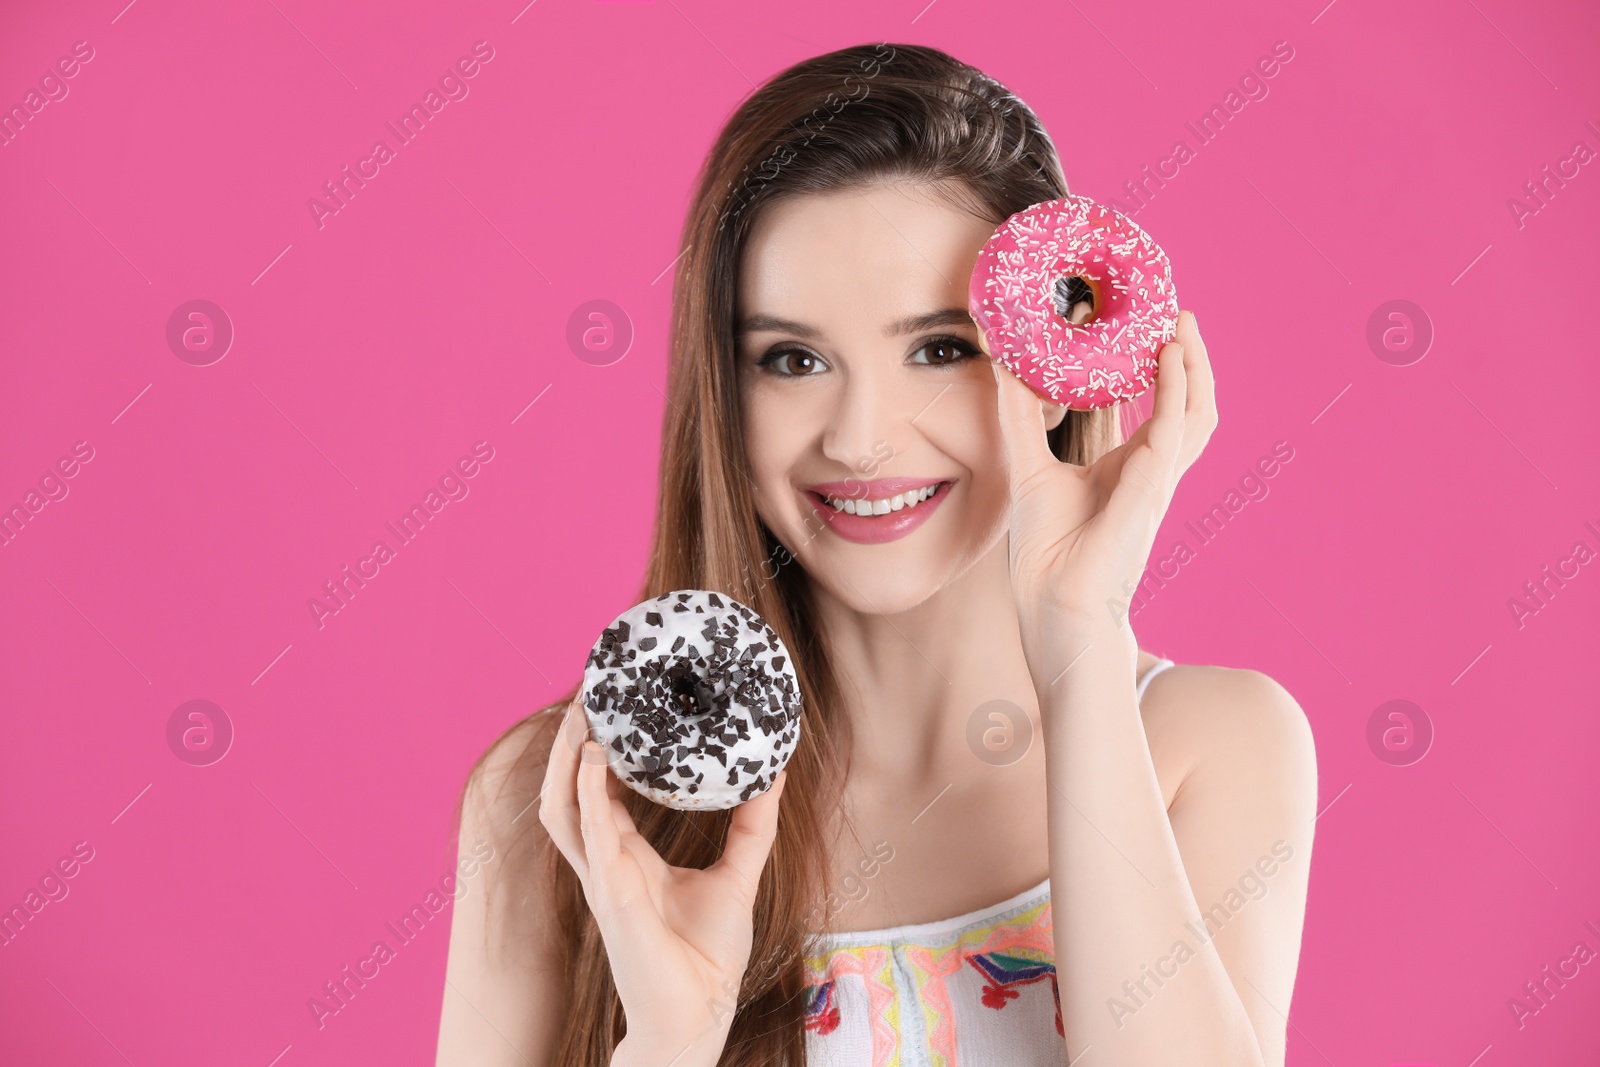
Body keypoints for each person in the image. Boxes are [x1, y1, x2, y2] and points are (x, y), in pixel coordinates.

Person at [436, 41, 1316, 1067]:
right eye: (792, 359)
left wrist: (1077, 639)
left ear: (1054, 366)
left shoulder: (1213, 743)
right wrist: (670, 1041)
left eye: (939, 348)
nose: (858, 437)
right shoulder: (563, 799)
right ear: (722, 391)